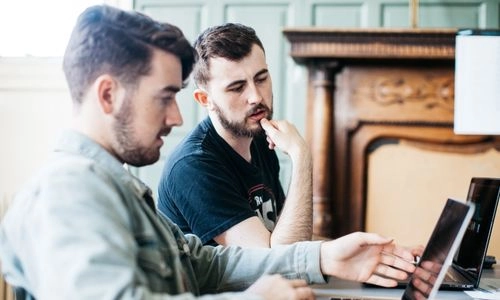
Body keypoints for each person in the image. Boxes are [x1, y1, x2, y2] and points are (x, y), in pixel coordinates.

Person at [0, 5, 417, 299]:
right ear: (108, 95)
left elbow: (202, 265)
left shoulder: (113, 184)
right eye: (164, 97)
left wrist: (326, 256)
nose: (176, 117)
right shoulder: (68, 192)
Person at [157, 23, 313, 247]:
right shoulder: (193, 165)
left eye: (261, 78)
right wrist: (301, 156)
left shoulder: (259, 139)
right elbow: (280, 261)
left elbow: (286, 234)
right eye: (237, 87)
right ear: (205, 100)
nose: (256, 97)